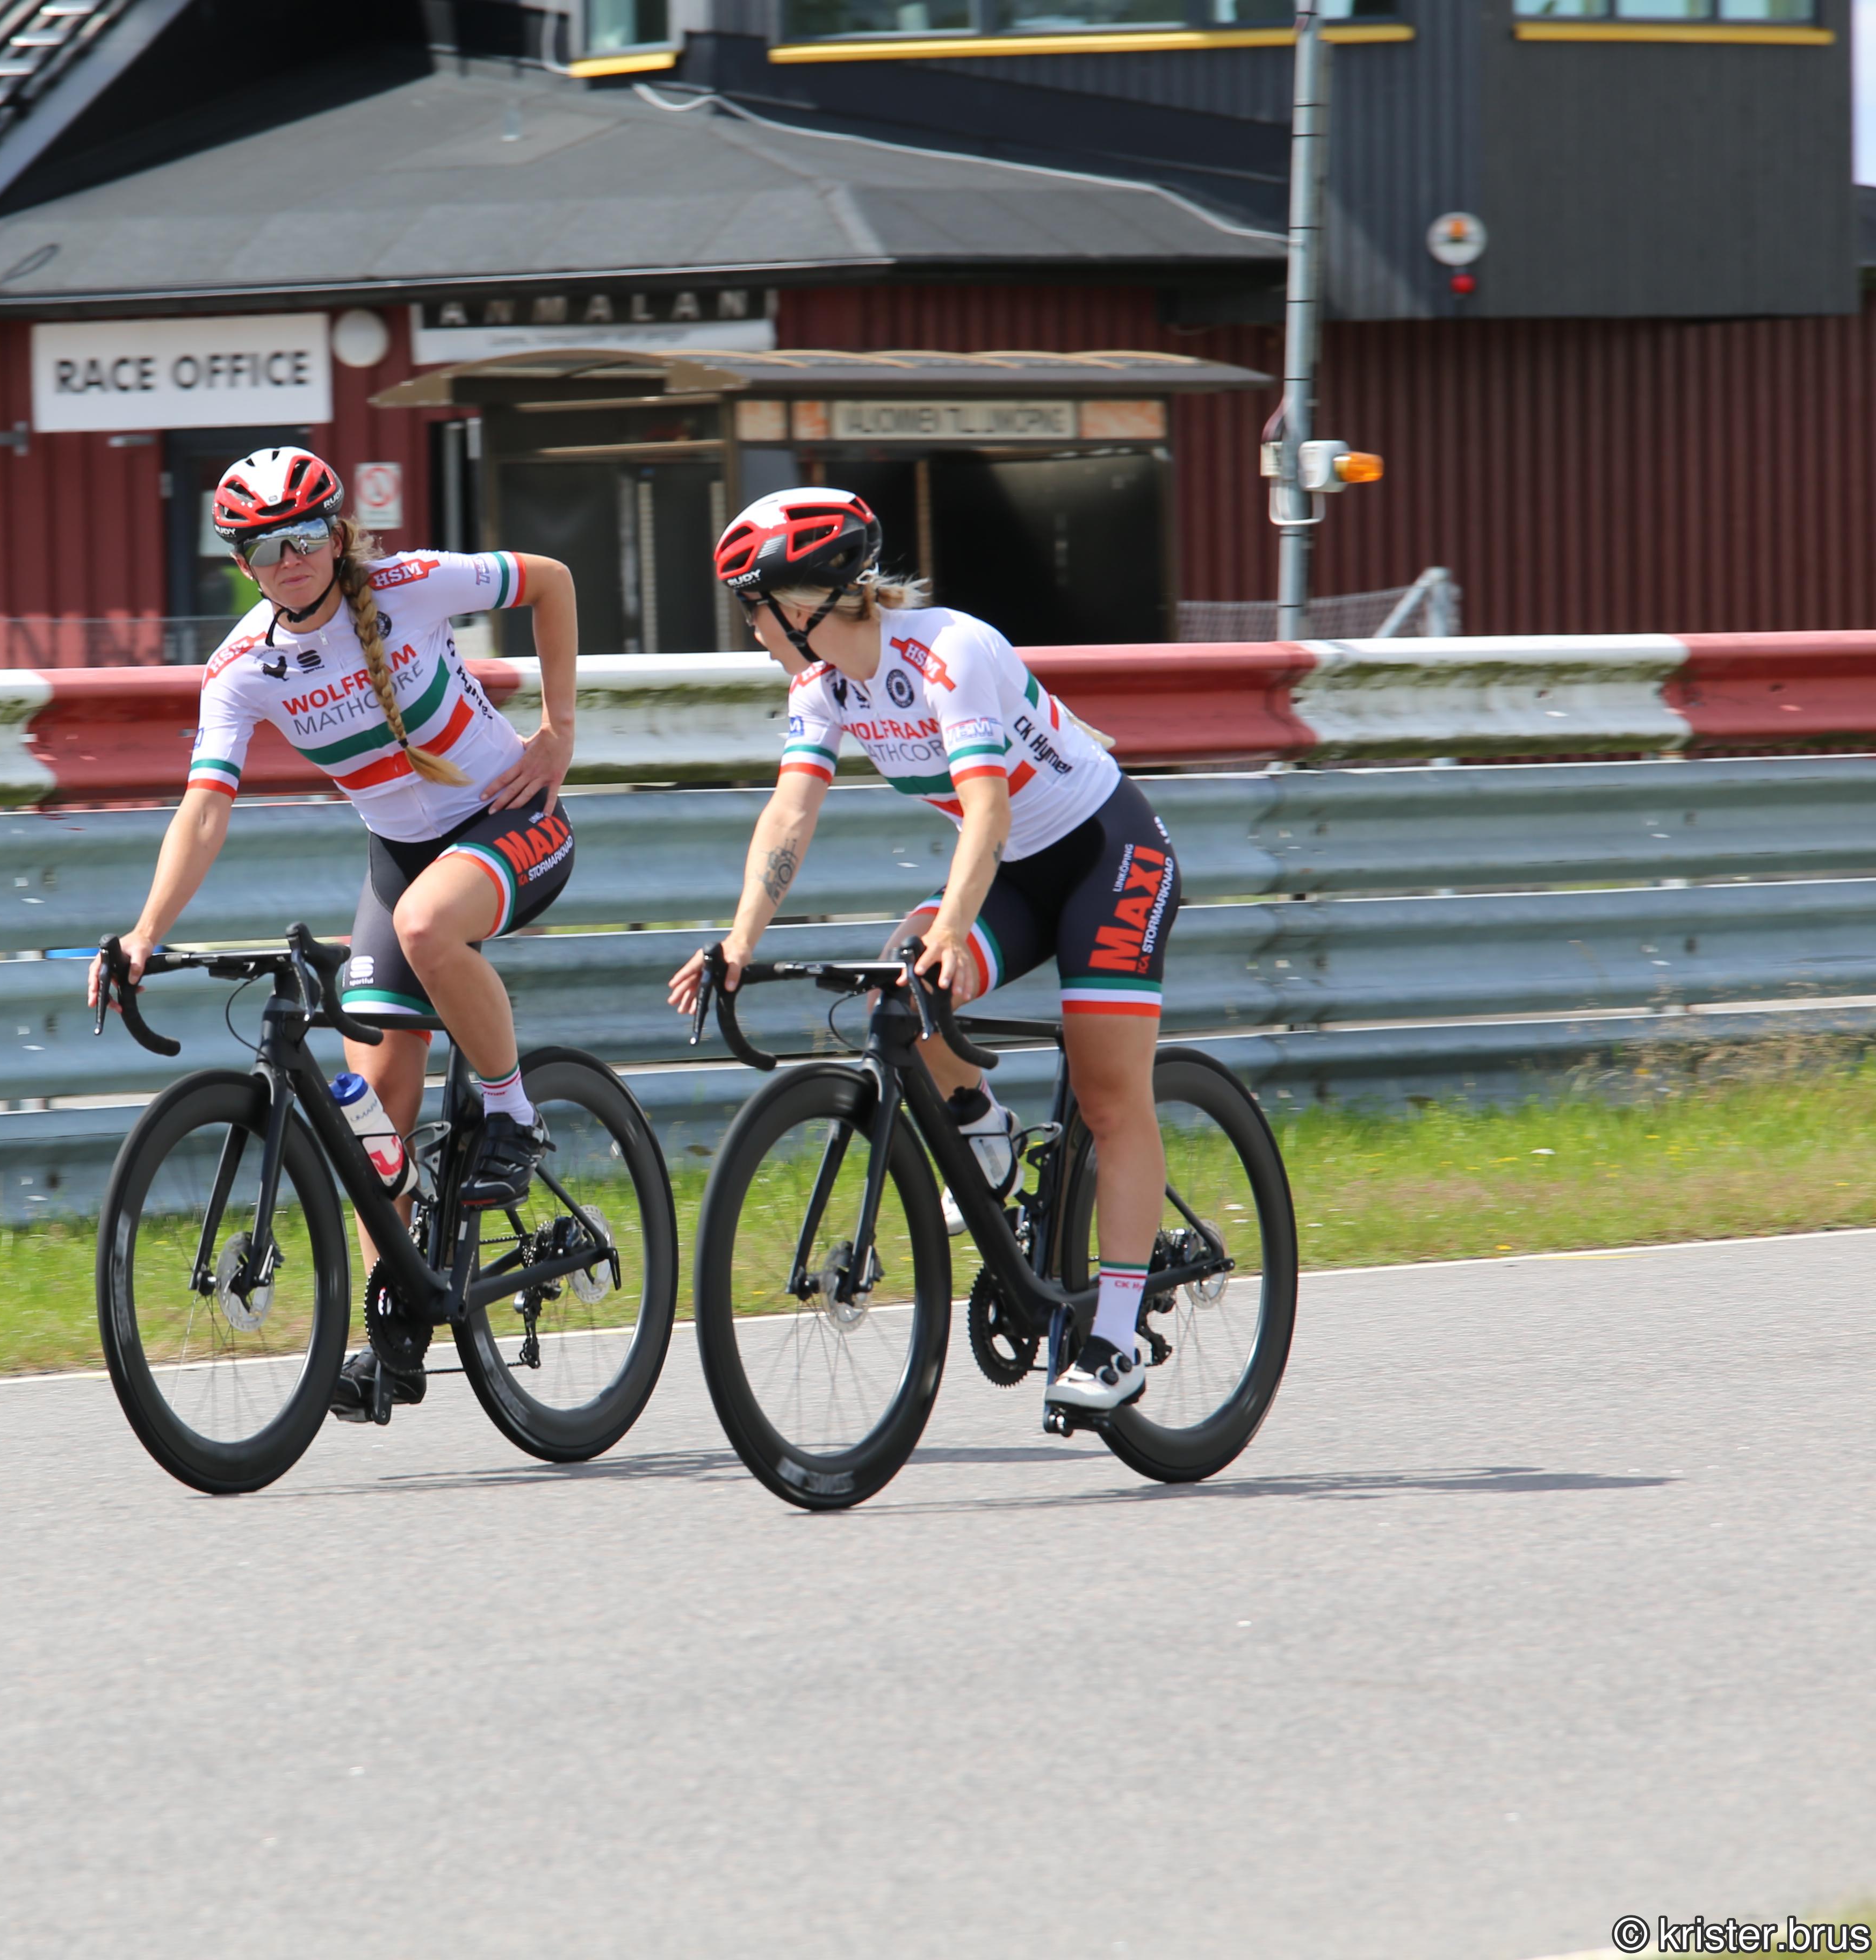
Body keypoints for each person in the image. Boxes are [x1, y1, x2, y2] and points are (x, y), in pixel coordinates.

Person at [665, 487, 1179, 1416]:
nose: (753, 630)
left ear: (807, 602)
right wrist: (739, 942)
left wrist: (949, 928)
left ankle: (1115, 1337)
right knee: (897, 994)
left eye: (755, 608)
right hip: (1014, 871)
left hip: (1108, 855)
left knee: (1109, 1093)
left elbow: (989, 807)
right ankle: (983, 1129)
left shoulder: (950, 652)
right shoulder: (821, 687)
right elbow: (790, 815)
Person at [91, 446, 583, 1417]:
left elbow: (554, 581)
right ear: (240, 562)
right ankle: (393, 1326)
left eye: (306, 537)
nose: (289, 561)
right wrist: (145, 930)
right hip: (399, 856)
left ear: (338, 533)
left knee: (427, 925)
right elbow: (204, 809)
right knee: (372, 1124)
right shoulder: (242, 668)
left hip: (510, 821)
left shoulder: (409, 585)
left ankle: (515, 1115)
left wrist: (559, 729)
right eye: (263, 548)